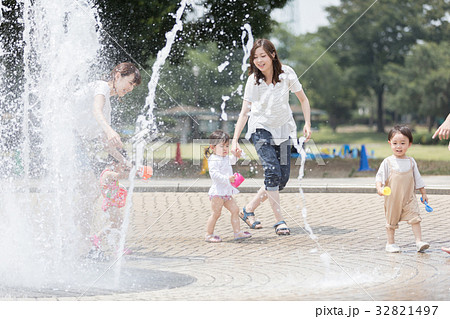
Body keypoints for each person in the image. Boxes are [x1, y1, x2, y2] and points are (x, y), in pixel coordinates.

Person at [231, 38, 311, 236]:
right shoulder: (253, 80)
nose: (259, 61)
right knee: (272, 172)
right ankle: (279, 221)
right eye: (255, 57)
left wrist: (308, 123)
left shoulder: (287, 73)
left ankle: (247, 209)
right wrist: (234, 139)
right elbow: (244, 112)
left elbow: (303, 99)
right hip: (261, 129)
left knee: (280, 180)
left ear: (272, 55)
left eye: (263, 56)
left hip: (284, 130)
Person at [72, 62, 141, 257]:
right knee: (90, 189)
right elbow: (96, 111)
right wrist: (110, 130)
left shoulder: (108, 107)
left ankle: (76, 237)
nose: (129, 89)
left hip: (75, 140)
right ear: (118, 75)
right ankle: (83, 245)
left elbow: (105, 143)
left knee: (90, 192)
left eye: (133, 87)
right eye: (129, 83)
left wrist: (126, 162)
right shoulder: (101, 87)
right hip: (67, 136)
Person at [375, 125, 429, 253]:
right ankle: (390, 243)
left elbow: (418, 179)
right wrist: (379, 188)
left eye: (402, 143)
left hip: (409, 197)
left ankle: (418, 241)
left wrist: (423, 193)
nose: (398, 146)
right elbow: (379, 178)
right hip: (393, 199)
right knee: (391, 220)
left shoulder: (411, 162)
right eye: (395, 143)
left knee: (415, 218)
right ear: (390, 143)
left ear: (409, 144)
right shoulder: (388, 162)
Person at [205, 130, 252, 243]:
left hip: (226, 193)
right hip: (217, 193)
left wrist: (237, 155)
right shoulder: (213, 159)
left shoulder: (225, 158)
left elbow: (232, 160)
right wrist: (227, 179)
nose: (225, 149)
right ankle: (208, 234)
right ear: (213, 147)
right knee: (216, 214)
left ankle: (237, 232)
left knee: (235, 210)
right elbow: (214, 175)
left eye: (227, 145)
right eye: (222, 146)